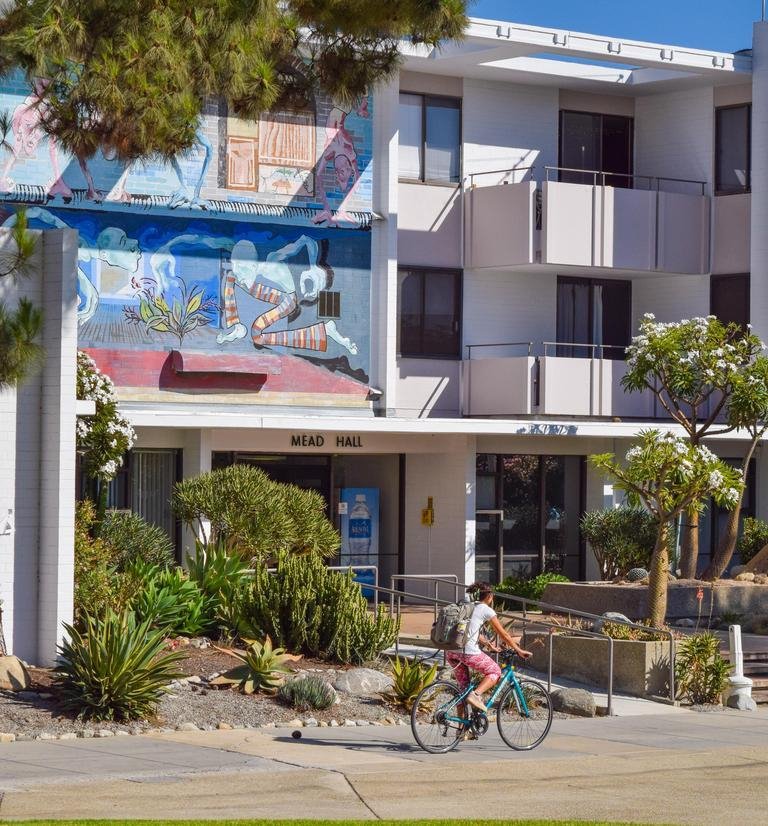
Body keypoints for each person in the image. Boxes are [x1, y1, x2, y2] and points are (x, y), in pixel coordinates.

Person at [447, 581, 532, 713]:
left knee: (463, 690)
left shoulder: (467, 606)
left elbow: (468, 631)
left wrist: (488, 644)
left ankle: (463, 731)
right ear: (489, 596)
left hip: (452, 652)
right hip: (467, 653)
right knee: (495, 671)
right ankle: (475, 695)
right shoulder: (486, 610)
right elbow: (503, 634)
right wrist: (519, 650)